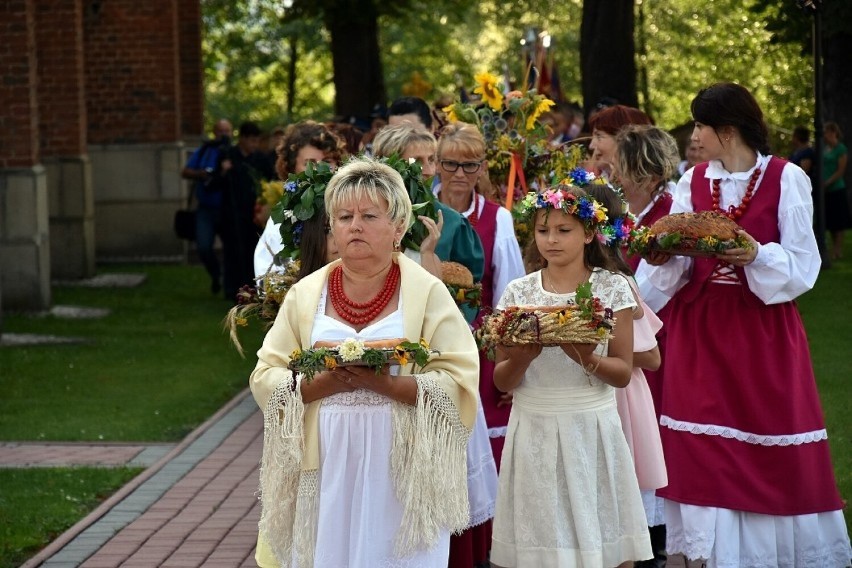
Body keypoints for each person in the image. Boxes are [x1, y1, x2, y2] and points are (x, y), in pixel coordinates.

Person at [643, 82, 851, 566]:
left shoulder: (785, 178)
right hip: (701, 332)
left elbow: (804, 263)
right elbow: (671, 269)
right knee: (700, 449)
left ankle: (766, 555)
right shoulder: (691, 183)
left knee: (767, 443)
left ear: (728, 130)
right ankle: (705, 555)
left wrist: (756, 255)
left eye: (700, 125)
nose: (694, 136)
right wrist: (656, 261)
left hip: (762, 332)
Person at [250, 157, 480, 567]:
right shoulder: (306, 294)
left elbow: (459, 377)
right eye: (344, 216)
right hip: (325, 466)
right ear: (332, 229)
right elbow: (265, 374)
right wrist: (321, 385)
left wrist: (388, 385)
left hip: (402, 466)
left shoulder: (427, 291)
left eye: (369, 215)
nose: (354, 225)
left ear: (397, 228)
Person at [490, 185, 653, 566]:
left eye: (564, 230)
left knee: (602, 536)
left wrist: (582, 353)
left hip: (590, 426)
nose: (552, 239)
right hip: (533, 426)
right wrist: (522, 360)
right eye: (543, 230)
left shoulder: (611, 288)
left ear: (589, 233)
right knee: (542, 536)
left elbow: (623, 373)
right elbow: (501, 380)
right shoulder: (518, 292)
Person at [373, 121, 496, 568]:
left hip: (431, 369)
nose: (426, 170)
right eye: (415, 160)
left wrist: (429, 257)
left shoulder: (450, 224)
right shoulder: (363, 221)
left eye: (430, 161)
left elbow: (462, 305)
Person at [586, 182, 669, 568]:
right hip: (583, 395)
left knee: (616, 503)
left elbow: (651, 356)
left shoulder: (618, 283)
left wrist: (596, 351)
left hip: (618, 396)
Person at [435, 122, 525, 470]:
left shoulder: (496, 218)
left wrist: (511, 365)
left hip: (482, 346)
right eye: (451, 164)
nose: (460, 173)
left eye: (470, 164)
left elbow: (510, 297)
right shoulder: (420, 213)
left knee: (486, 449)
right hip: (430, 344)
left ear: (482, 167)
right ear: (438, 164)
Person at [254, 121, 347, 278]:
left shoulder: (353, 210)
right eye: (309, 163)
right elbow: (270, 281)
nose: (319, 171)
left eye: (327, 162)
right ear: (291, 168)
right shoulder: (281, 224)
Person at [220, 121, 275, 302]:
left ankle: (252, 288)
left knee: (253, 249)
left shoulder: (260, 158)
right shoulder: (229, 155)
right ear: (242, 139)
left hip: (254, 212)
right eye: (251, 140)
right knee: (233, 250)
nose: (254, 145)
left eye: (256, 141)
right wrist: (223, 170)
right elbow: (216, 182)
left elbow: (270, 179)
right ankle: (232, 288)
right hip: (233, 212)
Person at [180, 118, 233, 294]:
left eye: (227, 131)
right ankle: (215, 274)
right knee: (203, 246)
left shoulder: (234, 153)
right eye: (221, 131)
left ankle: (229, 284)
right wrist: (201, 174)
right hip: (206, 208)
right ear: (214, 132)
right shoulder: (206, 150)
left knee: (231, 249)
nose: (224, 135)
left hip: (228, 209)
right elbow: (186, 171)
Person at [587, 104, 653, 177]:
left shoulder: (659, 187)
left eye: (599, 136)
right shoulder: (592, 182)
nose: (591, 146)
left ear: (626, 139)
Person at [823, 121, 851, 260]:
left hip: (836, 188)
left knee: (839, 221)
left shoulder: (841, 149)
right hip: (825, 190)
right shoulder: (824, 149)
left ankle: (838, 249)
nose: (825, 135)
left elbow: (840, 170)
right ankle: (833, 247)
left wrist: (828, 182)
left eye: (827, 132)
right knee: (831, 221)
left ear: (834, 133)